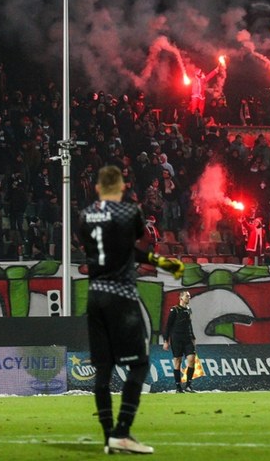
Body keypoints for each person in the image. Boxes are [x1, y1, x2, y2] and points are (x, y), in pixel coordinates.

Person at [79, 165, 184, 455]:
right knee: (138, 365)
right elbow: (134, 247)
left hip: (95, 296)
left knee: (103, 368)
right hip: (121, 297)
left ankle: (108, 437)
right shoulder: (130, 213)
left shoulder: (85, 216)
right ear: (122, 188)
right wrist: (163, 262)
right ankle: (122, 431)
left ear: (99, 189)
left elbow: (96, 249)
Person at [162, 290, 197, 393]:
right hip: (176, 338)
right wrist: (166, 340)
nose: (189, 298)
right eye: (187, 296)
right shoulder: (175, 310)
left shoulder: (189, 310)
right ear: (181, 298)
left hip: (187, 339)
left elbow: (189, 325)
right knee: (178, 362)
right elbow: (168, 326)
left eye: (189, 296)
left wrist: (193, 337)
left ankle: (188, 385)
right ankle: (178, 387)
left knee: (191, 359)